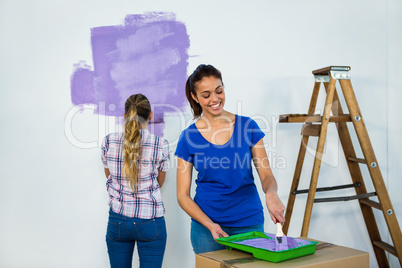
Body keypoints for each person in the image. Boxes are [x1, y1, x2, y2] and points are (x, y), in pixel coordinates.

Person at [175, 64, 285, 254]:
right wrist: (210, 225)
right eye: (206, 95)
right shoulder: (188, 137)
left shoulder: (247, 126)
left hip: (248, 222)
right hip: (206, 228)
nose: (215, 99)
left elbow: (266, 174)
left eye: (219, 91)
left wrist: (271, 194)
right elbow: (182, 195)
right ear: (195, 97)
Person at [101, 94, 170, 268]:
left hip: (118, 221)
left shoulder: (109, 141)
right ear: (151, 115)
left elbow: (109, 176)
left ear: (125, 116)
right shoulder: (160, 144)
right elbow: (160, 182)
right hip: (150, 222)